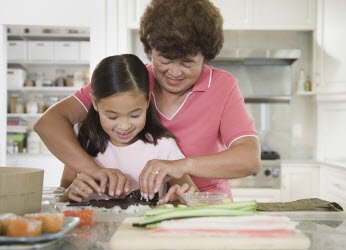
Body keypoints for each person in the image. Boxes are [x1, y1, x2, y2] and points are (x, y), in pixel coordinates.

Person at [34, 0, 261, 202]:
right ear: (150, 48)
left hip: (205, 205)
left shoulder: (223, 87)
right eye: (165, 58)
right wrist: (94, 171)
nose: (174, 72)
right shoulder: (131, 82)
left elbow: (249, 159)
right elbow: (49, 123)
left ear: (206, 56)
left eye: (187, 62)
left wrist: (180, 165)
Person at [59, 54, 196, 204]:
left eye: (135, 115)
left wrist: (180, 199)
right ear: (95, 103)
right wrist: (70, 193)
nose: (124, 126)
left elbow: (193, 198)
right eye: (112, 117)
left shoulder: (163, 146)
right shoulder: (80, 136)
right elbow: (61, 199)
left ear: (147, 102)